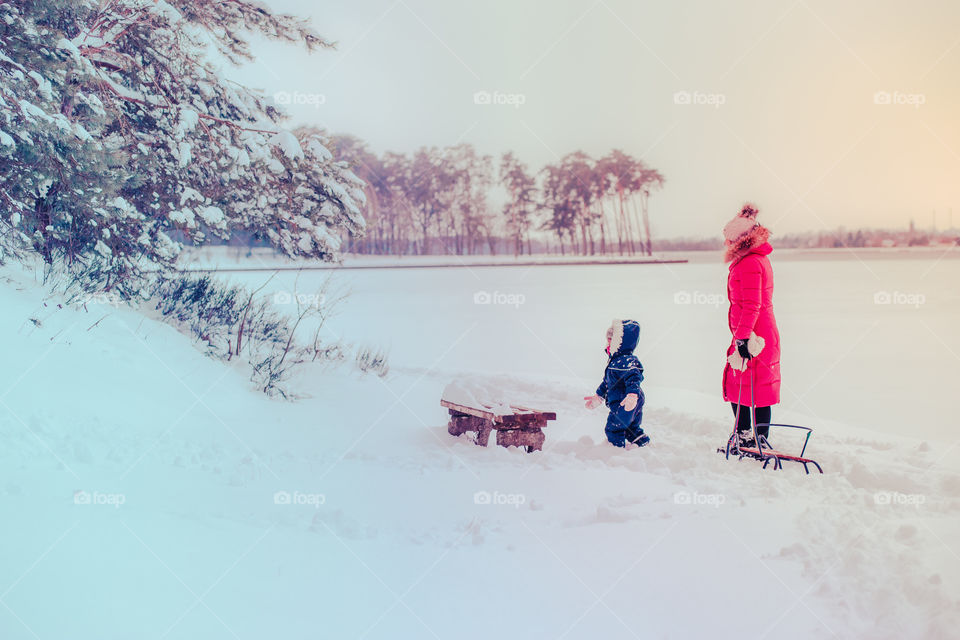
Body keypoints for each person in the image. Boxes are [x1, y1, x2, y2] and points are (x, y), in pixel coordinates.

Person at [722, 203, 781, 448]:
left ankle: (753, 437)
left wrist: (743, 338)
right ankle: (748, 435)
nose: (725, 244)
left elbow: (752, 304)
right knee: (749, 386)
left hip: (756, 335)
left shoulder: (749, 263)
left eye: (728, 240)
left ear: (740, 240)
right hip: (754, 332)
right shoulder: (755, 259)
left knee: (750, 386)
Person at [584, 319, 649, 448]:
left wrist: (632, 395)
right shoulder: (616, 361)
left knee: (614, 428)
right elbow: (607, 383)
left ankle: (615, 451)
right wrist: (598, 396)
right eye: (607, 339)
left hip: (625, 401)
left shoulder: (625, 361)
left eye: (611, 339)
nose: (608, 342)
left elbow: (634, 378)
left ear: (620, 342)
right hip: (630, 400)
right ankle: (642, 443)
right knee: (630, 427)